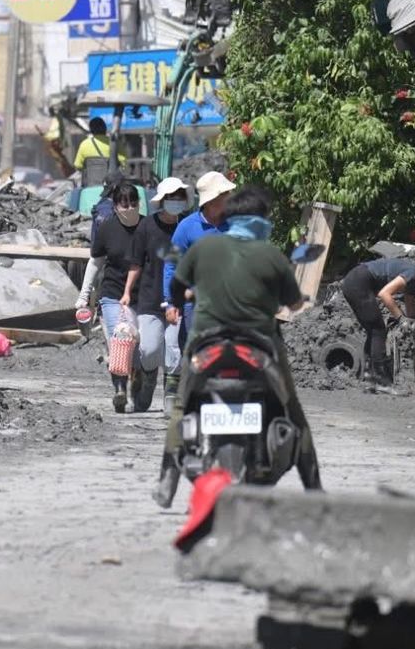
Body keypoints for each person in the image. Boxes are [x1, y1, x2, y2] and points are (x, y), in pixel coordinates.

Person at [155, 185, 322, 507]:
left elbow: (176, 290)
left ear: (230, 217)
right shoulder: (271, 255)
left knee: (181, 407)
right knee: (294, 412)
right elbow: (291, 302)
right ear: (262, 219)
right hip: (259, 345)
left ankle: (167, 482)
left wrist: (184, 299)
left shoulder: (204, 249)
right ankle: (313, 487)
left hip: (206, 343)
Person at [123, 176, 189, 412]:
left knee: (174, 348)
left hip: (178, 299)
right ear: (162, 201)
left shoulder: (187, 226)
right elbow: (136, 263)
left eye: (179, 197)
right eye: (171, 198)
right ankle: (147, 377)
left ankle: (171, 394)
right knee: (149, 350)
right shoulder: (147, 226)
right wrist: (127, 292)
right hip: (150, 298)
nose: (176, 202)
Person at [81, 178, 145, 413]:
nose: (128, 208)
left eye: (132, 203)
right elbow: (96, 262)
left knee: (141, 348)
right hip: (112, 294)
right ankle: (119, 389)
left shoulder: (147, 227)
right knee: (119, 342)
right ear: (115, 206)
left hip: (142, 297)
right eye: (123, 204)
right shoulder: (107, 227)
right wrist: (84, 293)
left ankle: (137, 373)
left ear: (139, 204)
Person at [161, 170, 235, 370]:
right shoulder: (187, 227)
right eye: (224, 195)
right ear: (212, 200)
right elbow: (171, 265)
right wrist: (170, 302)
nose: (229, 198)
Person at [340, 255, 415, 387]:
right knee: (378, 330)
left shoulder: (414, 284)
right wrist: (401, 319)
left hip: (355, 282)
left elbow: (411, 311)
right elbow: (384, 294)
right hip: (358, 283)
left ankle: (368, 374)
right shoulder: (413, 273)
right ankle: (379, 379)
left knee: (373, 331)